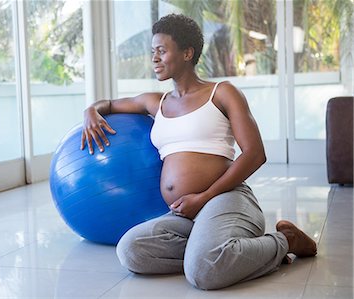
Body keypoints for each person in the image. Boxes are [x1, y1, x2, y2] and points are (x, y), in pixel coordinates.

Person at [80, 13, 317, 290]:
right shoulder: (155, 102)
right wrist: (90, 111)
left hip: (225, 199)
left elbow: (255, 153)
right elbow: (107, 103)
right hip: (184, 214)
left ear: (187, 53)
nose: (154, 58)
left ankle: (286, 240)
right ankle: (212, 249)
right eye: (152, 52)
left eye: (162, 51)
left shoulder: (222, 93)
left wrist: (204, 197)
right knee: (131, 250)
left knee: (203, 273)